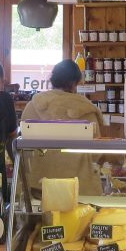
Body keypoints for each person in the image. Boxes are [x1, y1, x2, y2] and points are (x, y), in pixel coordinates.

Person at [21, 59, 103, 195]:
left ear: (53, 80)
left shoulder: (33, 105)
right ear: (74, 83)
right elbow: (96, 154)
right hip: (78, 188)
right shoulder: (86, 109)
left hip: (40, 186)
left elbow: (24, 148)